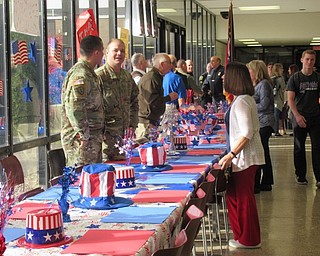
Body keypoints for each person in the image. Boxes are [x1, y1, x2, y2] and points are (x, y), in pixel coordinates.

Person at [218, 62, 264, 249]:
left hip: (245, 158)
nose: (222, 78)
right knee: (234, 196)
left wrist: (231, 154)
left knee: (244, 199)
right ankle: (242, 236)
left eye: (226, 75)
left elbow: (247, 132)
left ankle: (250, 239)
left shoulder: (243, 100)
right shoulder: (240, 99)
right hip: (241, 158)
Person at [61, 35, 105, 166]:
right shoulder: (81, 75)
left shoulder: (89, 73)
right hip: (82, 141)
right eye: (102, 51)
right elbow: (74, 108)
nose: (102, 55)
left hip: (92, 138)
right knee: (82, 179)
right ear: (96, 53)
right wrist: (83, 135)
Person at [96, 38, 139, 161]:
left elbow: (134, 101)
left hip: (124, 142)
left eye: (122, 51)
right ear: (107, 53)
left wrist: (132, 124)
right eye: (115, 50)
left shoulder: (126, 77)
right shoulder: (99, 77)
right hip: (105, 143)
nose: (119, 54)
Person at [287, 49, 320, 187]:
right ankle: (301, 175)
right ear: (302, 60)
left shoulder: (318, 77)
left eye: (312, 60)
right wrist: (297, 116)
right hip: (299, 115)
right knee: (299, 148)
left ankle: (319, 177)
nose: (309, 62)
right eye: (307, 59)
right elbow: (290, 99)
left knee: (317, 147)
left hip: (315, 117)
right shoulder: (295, 78)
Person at [135, 53, 178, 143]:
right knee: (147, 150)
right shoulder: (151, 78)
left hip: (152, 120)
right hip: (146, 122)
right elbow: (152, 101)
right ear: (162, 64)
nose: (171, 66)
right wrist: (169, 98)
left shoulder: (157, 77)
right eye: (169, 63)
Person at [247, 60, 274, 193]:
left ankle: (264, 181)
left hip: (265, 122)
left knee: (261, 152)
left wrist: (248, 107)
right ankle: (263, 181)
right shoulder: (256, 85)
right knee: (262, 152)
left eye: (250, 70)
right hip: (259, 122)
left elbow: (264, 104)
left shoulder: (264, 84)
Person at [271, 63, 286, 136]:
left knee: (275, 115)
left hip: (273, 99)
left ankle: (273, 130)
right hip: (279, 99)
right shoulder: (280, 79)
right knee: (277, 116)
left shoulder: (272, 78)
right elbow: (284, 88)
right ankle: (275, 131)